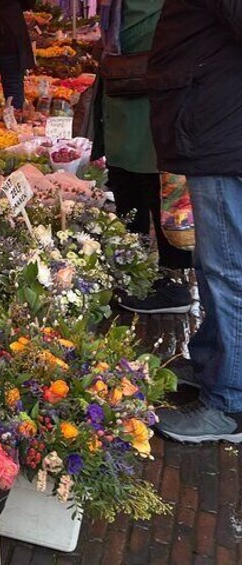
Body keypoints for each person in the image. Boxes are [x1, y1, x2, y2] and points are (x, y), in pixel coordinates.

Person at [147, 0, 242, 443]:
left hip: (222, 129)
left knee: (228, 272)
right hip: (213, 122)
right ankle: (212, 362)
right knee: (214, 264)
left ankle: (228, 402)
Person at [95, 0, 193, 315]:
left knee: (158, 185)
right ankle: (132, 271)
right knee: (128, 179)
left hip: (152, 97)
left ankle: (173, 281)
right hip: (125, 98)